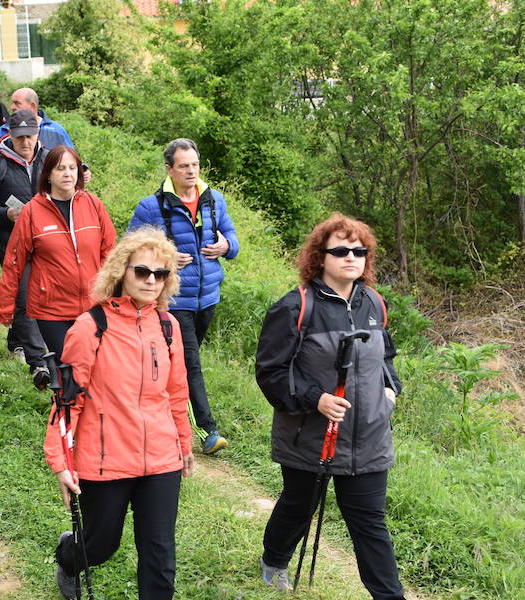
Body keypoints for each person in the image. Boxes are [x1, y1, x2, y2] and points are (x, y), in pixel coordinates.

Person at [255, 213, 405, 598]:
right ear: (319, 256)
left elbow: (386, 358)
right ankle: (274, 559)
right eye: (340, 250)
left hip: (368, 438)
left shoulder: (374, 302)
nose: (351, 257)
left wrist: (390, 393)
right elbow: (272, 373)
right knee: (298, 506)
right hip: (310, 437)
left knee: (370, 524)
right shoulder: (295, 307)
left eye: (359, 250)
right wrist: (315, 399)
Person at [48, 227, 195, 600]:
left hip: (161, 459)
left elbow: (176, 393)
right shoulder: (91, 326)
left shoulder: (168, 327)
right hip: (105, 458)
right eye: (141, 272)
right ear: (121, 273)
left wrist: (184, 442)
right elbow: (67, 401)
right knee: (101, 545)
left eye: (160, 274)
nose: (151, 280)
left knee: (159, 554)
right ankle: (70, 556)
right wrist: (61, 462)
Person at [128, 138, 239, 456]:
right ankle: (207, 430)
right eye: (184, 166)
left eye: (195, 164)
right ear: (169, 169)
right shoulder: (152, 206)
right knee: (191, 364)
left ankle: (152, 406)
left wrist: (226, 246)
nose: (191, 171)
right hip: (174, 300)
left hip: (209, 297)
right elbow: (131, 249)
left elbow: (232, 239)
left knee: (176, 364)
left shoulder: (214, 200)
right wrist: (163, 257)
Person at [0, 145, 116, 359]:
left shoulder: (94, 205)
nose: (67, 173)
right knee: (69, 365)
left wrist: (115, 296)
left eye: (72, 168)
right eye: (60, 168)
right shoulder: (32, 211)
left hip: (93, 305)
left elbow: (111, 255)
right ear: (48, 173)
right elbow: (14, 261)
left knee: (95, 367)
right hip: (52, 310)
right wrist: (5, 304)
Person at [0, 110, 48, 387]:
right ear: (10, 137)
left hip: (45, 244)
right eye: (20, 138)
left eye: (29, 136)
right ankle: (38, 362)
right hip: (11, 245)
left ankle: (16, 341)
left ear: (37, 134)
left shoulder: (49, 159)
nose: (25, 142)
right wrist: (7, 215)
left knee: (34, 296)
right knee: (25, 297)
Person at [0, 88, 73, 157]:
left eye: (17, 103)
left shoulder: (56, 131)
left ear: (33, 106)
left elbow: (71, 158)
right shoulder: (2, 131)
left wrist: (83, 168)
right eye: (12, 103)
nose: (12, 107)